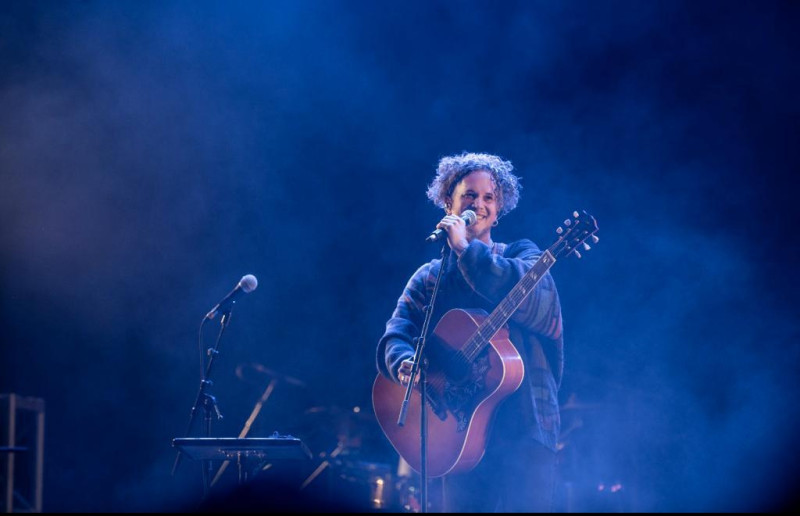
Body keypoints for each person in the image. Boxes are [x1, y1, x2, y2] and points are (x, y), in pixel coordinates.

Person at [375, 151, 564, 512]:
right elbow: (397, 332)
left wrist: (465, 249)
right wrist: (403, 362)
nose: (479, 204)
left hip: (525, 427)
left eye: (489, 197)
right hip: (457, 433)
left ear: (500, 206)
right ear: (449, 202)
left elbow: (540, 304)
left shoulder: (523, 255)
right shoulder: (429, 277)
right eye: (469, 196)